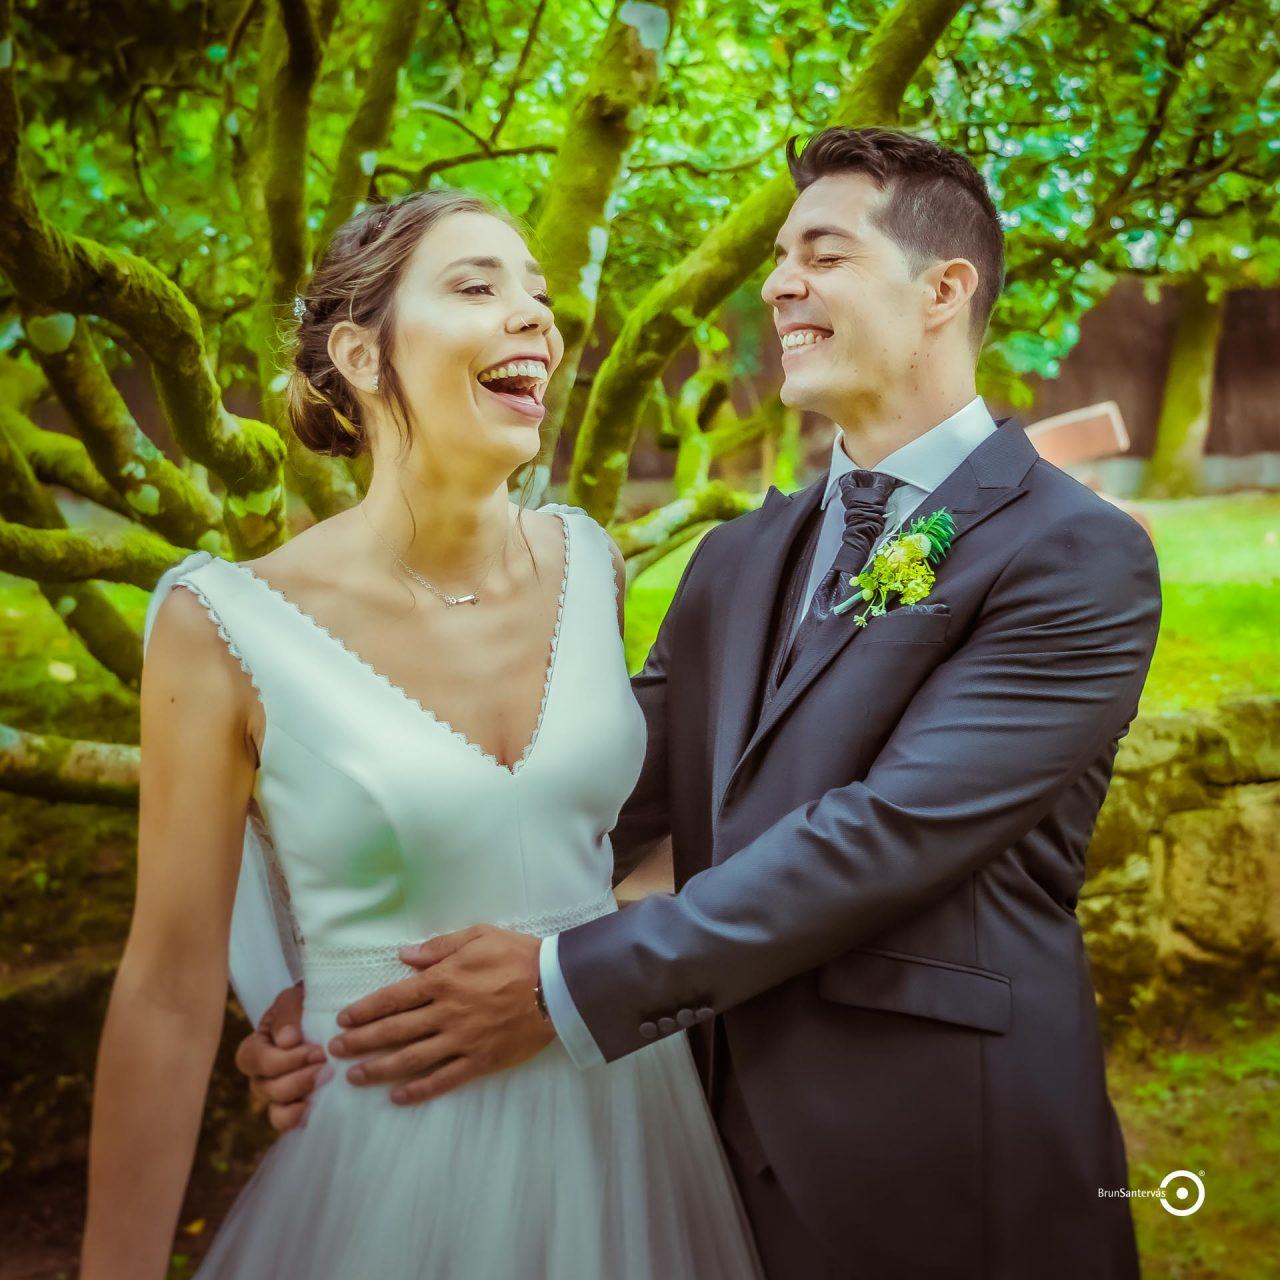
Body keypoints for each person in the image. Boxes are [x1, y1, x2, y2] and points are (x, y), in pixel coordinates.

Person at [243, 128, 1162, 1279]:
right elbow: (581, 801)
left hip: (944, 1158)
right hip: (704, 1158)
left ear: (941, 290)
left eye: (822, 255)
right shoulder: (735, 558)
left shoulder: (1072, 553)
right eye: (777, 258)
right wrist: (353, 991)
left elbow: (886, 833)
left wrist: (560, 984)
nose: (778, 284)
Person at [80, 189, 763, 1280]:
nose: (534, 316)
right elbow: (166, 988)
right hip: (389, 1159)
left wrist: (580, 961)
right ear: (361, 354)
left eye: (537, 294)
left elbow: (625, 844)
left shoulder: (588, 562)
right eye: (476, 286)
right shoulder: (221, 626)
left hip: (631, 1136)